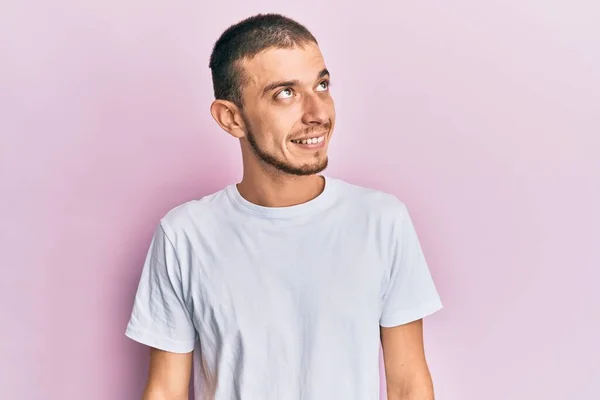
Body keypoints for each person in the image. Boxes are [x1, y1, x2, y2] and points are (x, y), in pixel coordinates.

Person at [125, 13, 443, 400]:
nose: (318, 113)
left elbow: (409, 386)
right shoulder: (185, 235)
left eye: (321, 85)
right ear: (231, 118)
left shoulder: (381, 221)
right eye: (285, 93)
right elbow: (165, 390)